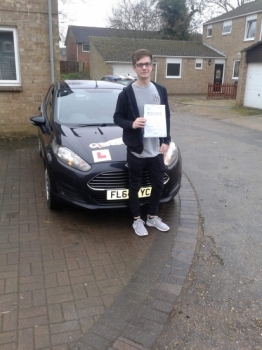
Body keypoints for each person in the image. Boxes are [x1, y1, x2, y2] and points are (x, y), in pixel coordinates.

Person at [113, 48, 171, 236]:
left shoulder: (160, 90)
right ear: (134, 68)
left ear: (151, 66)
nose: (144, 67)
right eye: (140, 65)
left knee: (158, 185)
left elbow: (166, 117)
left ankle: (152, 217)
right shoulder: (127, 93)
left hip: (156, 150)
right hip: (137, 150)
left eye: (147, 64)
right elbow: (117, 118)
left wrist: (166, 140)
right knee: (135, 186)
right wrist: (132, 123)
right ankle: (137, 219)